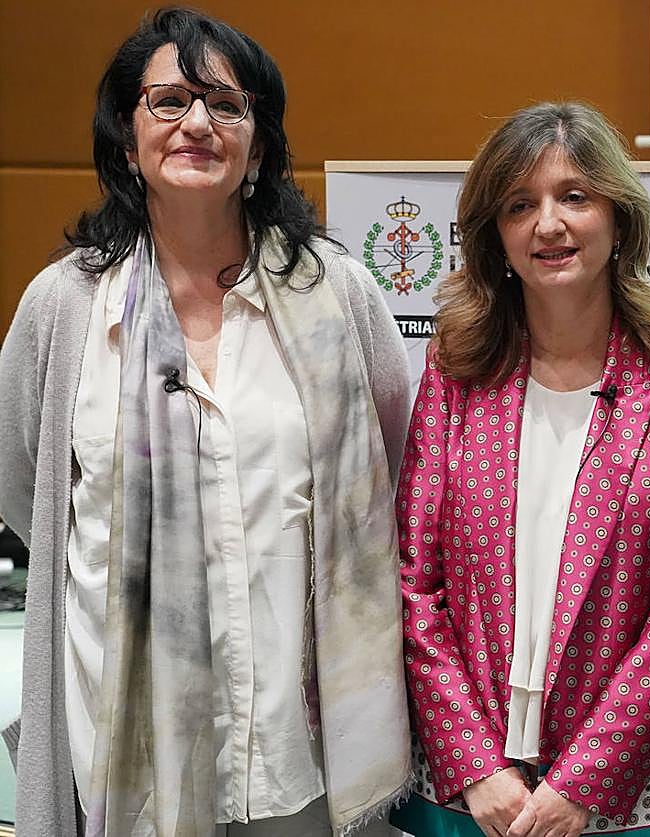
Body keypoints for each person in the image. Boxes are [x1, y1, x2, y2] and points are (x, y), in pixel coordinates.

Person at [0, 9, 412, 836]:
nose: (197, 123)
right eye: (169, 101)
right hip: (126, 756)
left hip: (303, 746)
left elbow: (393, 473)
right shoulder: (66, 307)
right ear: (126, 138)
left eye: (226, 104)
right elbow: (27, 490)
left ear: (258, 148)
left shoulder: (340, 295)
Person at [390, 101, 650, 837]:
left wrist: (585, 782)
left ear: (619, 219)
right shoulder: (455, 375)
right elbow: (416, 583)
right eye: (521, 204)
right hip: (474, 791)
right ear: (496, 236)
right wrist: (474, 764)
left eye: (574, 196)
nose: (548, 223)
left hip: (637, 790)